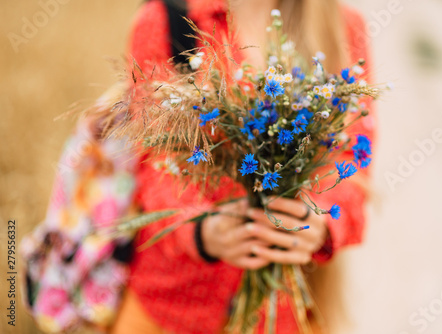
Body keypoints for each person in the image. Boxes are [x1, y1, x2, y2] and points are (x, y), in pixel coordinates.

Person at [21, 0, 375, 333]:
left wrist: (321, 222)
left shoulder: (343, 28)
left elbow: (353, 162)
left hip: (281, 311)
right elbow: (155, 164)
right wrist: (202, 231)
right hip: (171, 302)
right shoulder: (171, 18)